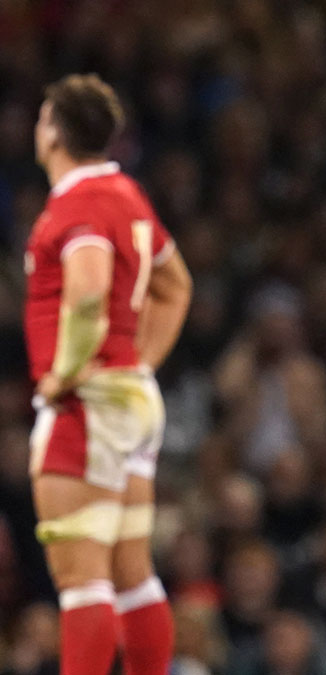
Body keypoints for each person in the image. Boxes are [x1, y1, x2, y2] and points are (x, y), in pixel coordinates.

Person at [24, 73, 193, 675]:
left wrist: (65, 373)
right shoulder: (126, 195)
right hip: (133, 398)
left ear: (52, 132)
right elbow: (177, 285)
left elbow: (90, 292)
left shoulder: (77, 206)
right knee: (132, 573)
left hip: (89, 402)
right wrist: (140, 361)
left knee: (82, 582)